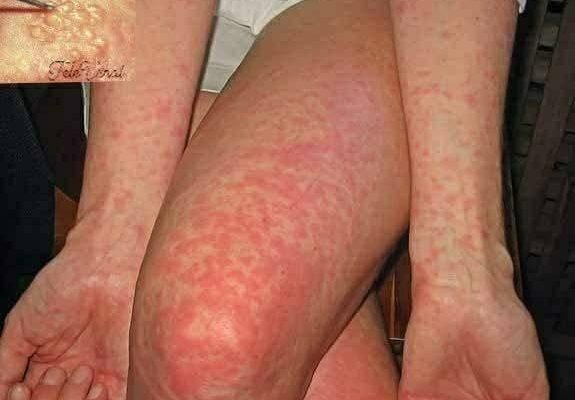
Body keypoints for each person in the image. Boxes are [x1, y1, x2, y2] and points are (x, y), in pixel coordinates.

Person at [0, 0, 549, 399]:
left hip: (377, 18)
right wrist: (112, 239)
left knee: (208, 343)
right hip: (127, 29)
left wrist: (462, 272)